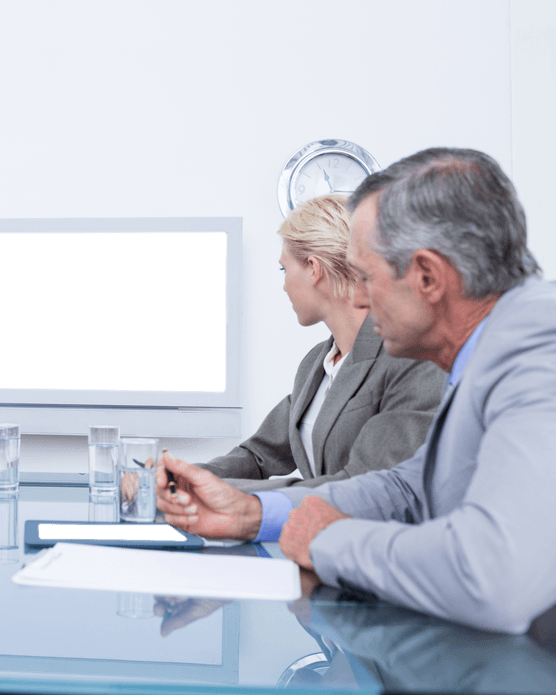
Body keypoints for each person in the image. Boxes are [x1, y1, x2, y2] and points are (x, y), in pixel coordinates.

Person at [156, 147, 556, 634]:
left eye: (367, 277)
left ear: (428, 276)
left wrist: (328, 542)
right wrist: (253, 514)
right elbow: (408, 487)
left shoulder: (539, 354)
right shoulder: (486, 351)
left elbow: (492, 576)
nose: (360, 297)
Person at [198, 194, 442, 492]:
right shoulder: (317, 363)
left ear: (314, 268)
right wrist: (183, 478)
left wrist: (238, 497)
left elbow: (365, 485)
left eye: (284, 269)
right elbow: (260, 456)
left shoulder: (411, 360)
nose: (284, 285)